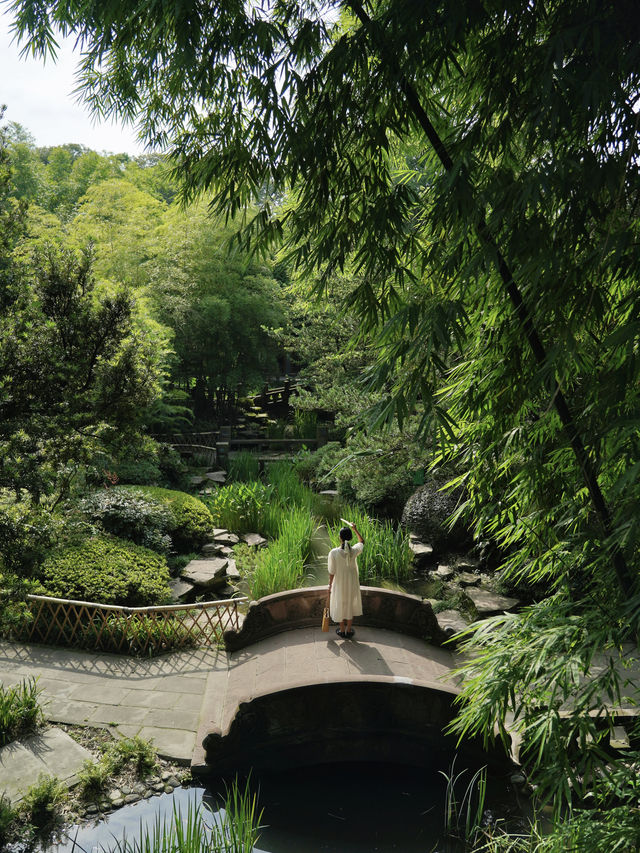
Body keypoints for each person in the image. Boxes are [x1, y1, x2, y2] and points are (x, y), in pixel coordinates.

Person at [327, 521, 364, 639]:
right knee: (350, 603)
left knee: (340, 603)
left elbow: (332, 571)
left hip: (339, 582)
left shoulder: (333, 552)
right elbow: (362, 542)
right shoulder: (354, 551)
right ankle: (349, 630)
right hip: (352, 582)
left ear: (340, 538)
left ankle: (342, 630)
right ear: (351, 538)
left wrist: (329, 585)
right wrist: (355, 529)